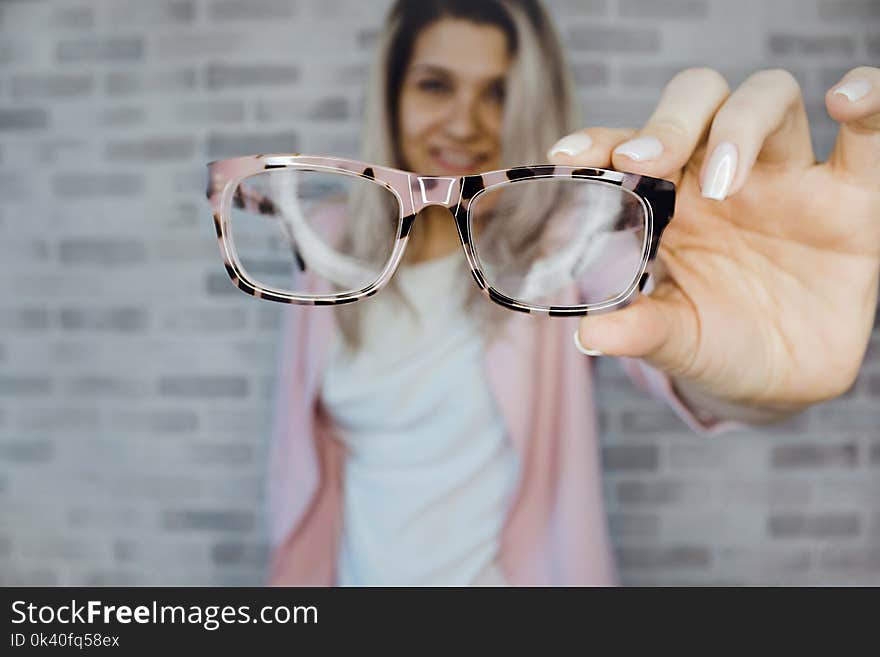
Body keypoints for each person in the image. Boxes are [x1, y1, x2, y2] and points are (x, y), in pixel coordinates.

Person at [265, 0, 880, 585]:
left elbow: (681, 347)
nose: (463, 122)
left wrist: (764, 367)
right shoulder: (329, 245)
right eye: (435, 85)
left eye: (499, 92)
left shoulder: (567, 241)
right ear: (392, 94)